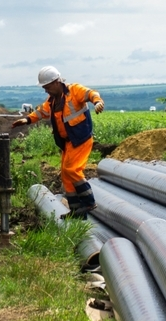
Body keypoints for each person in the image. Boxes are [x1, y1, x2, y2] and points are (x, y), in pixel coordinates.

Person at [12, 66, 105, 217]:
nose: (46, 91)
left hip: (80, 138)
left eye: (47, 87)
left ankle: (88, 202)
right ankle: (76, 211)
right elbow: (41, 111)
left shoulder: (74, 90)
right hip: (67, 142)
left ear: (56, 82)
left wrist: (97, 102)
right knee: (66, 174)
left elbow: (91, 93)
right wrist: (27, 119)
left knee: (72, 170)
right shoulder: (52, 100)